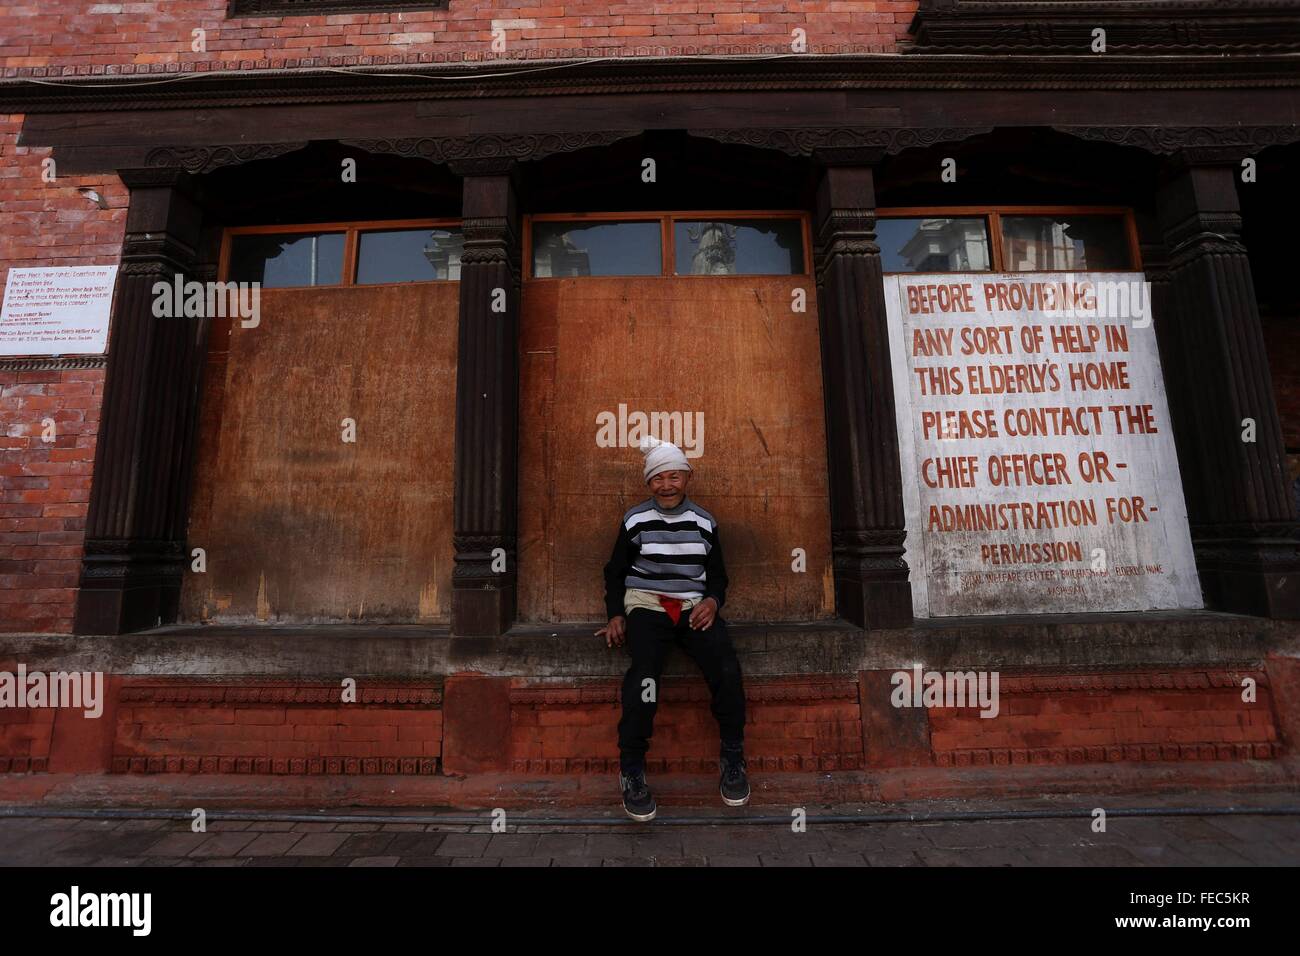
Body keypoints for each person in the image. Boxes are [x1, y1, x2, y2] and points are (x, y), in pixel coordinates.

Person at [595, 435, 749, 821]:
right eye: (658, 478)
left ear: (687, 477)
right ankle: (632, 769)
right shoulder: (635, 520)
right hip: (647, 606)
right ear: (649, 483)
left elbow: (718, 577)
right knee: (645, 679)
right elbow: (615, 572)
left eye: (674, 476)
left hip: (693, 608)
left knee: (726, 668)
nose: (667, 484)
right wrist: (616, 614)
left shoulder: (703, 522)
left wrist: (712, 602)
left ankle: (732, 757)